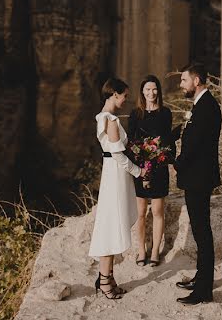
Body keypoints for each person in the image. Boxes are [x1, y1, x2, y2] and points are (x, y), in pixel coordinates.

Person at [88, 78, 146, 300]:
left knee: (112, 225)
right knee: (110, 227)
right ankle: (104, 281)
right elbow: (117, 155)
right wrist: (139, 172)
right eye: (124, 96)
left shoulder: (104, 117)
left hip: (114, 175)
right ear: (114, 95)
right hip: (115, 176)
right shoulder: (110, 120)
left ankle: (108, 277)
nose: (125, 100)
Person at [173, 62, 222, 305]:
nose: (181, 84)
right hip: (197, 177)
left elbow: (196, 146)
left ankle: (204, 290)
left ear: (197, 81)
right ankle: (201, 277)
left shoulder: (207, 107)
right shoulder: (200, 105)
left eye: (184, 80)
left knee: (202, 233)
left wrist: (177, 162)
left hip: (199, 178)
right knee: (199, 230)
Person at [126, 75, 174, 267]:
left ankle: (155, 251)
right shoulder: (135, 114)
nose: (151, 93)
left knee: (157, 211)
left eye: (154, 89)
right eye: (147, 89)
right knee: (140, 212)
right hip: (140, 168)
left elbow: (169, 140)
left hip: (160, 166)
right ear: (142, 92)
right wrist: (139, 163)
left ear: (158, 91)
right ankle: (141, 250)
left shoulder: (165, 113)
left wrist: (169, 160)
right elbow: (130, 141)